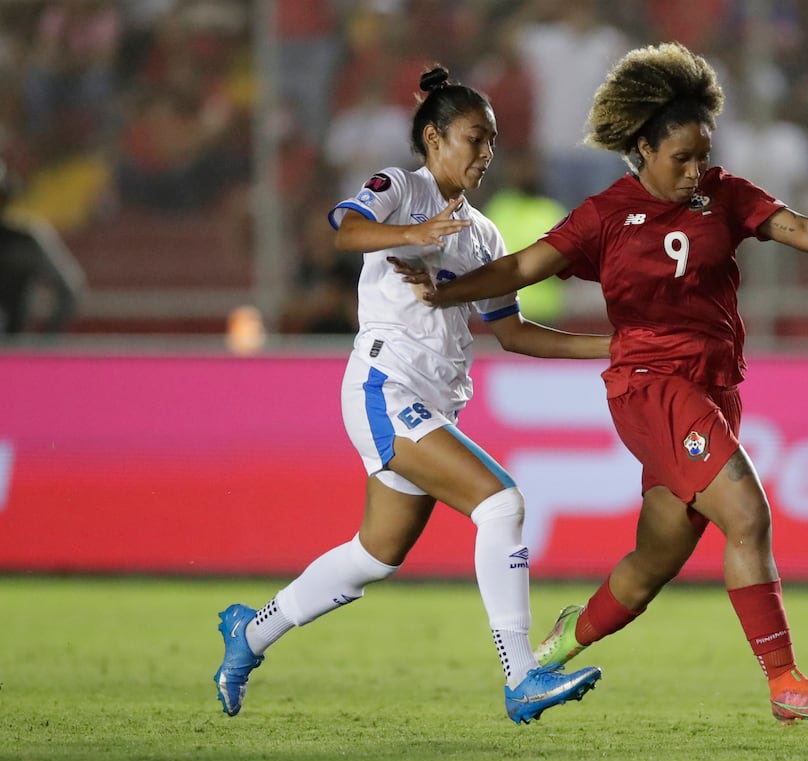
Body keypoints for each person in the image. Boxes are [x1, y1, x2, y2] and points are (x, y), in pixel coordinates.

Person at [395, 43, 808, 725]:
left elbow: (803, 230)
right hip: (650, 388)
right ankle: (783, 681)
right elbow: (519, 269)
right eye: (680, 157)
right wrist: (448, 292)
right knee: (747, 515)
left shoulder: (727, 195)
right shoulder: (604, 216)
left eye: (702, 155)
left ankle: (564, 637)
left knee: (654, 562)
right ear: (643, 149)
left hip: (714, 388)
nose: (694, 171)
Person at [213, 66, 607, 725]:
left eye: (493, 141)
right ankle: (523, 677)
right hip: (383, 386)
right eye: (474, 139)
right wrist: (410, 235)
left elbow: (510, 333)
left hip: (433, 401)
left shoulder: (483, 234)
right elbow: (345, 230)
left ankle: (248, 634)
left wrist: (613, 348)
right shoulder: (401, 189)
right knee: (501, 503)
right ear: (433, 138)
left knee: (375, 554)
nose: (486, 154)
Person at [0, 161, 87, 335]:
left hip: (12, 347)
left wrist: (44, 345)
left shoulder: (27, 239)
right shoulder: (28, 238)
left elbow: (70, 291)